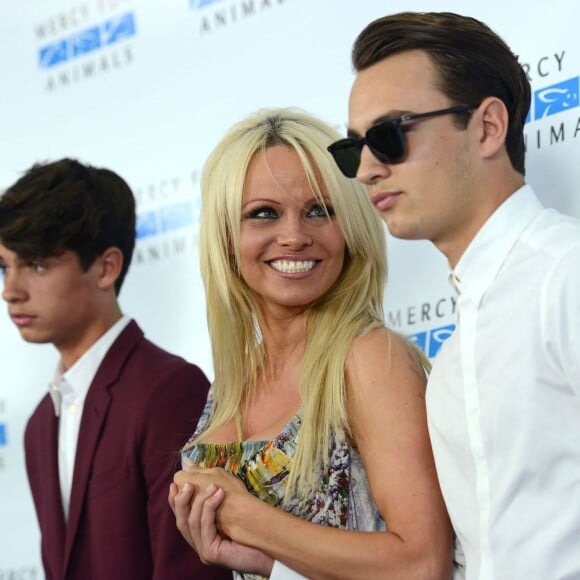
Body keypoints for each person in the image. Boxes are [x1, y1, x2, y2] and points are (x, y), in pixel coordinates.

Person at [325, 11, 580, 579]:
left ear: (488, 127)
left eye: (389, 137)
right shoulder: (450, 364)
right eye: (354, 149)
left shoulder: (566, 276)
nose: (366, 170)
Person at [168, 108, 454, 579]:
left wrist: (250, 519)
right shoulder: (231, 384)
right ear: (225, 236)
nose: (295, 237)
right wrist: (260, 561)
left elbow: (421, 564)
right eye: (264, 213)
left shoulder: (368, 359)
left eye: (320, 211)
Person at [0, 159, 231, 580]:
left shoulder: (169, 390)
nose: (10, 291)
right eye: (4, 267)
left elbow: (191, 568)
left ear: (106, 267)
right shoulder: (37, 426)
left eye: (36, 264)